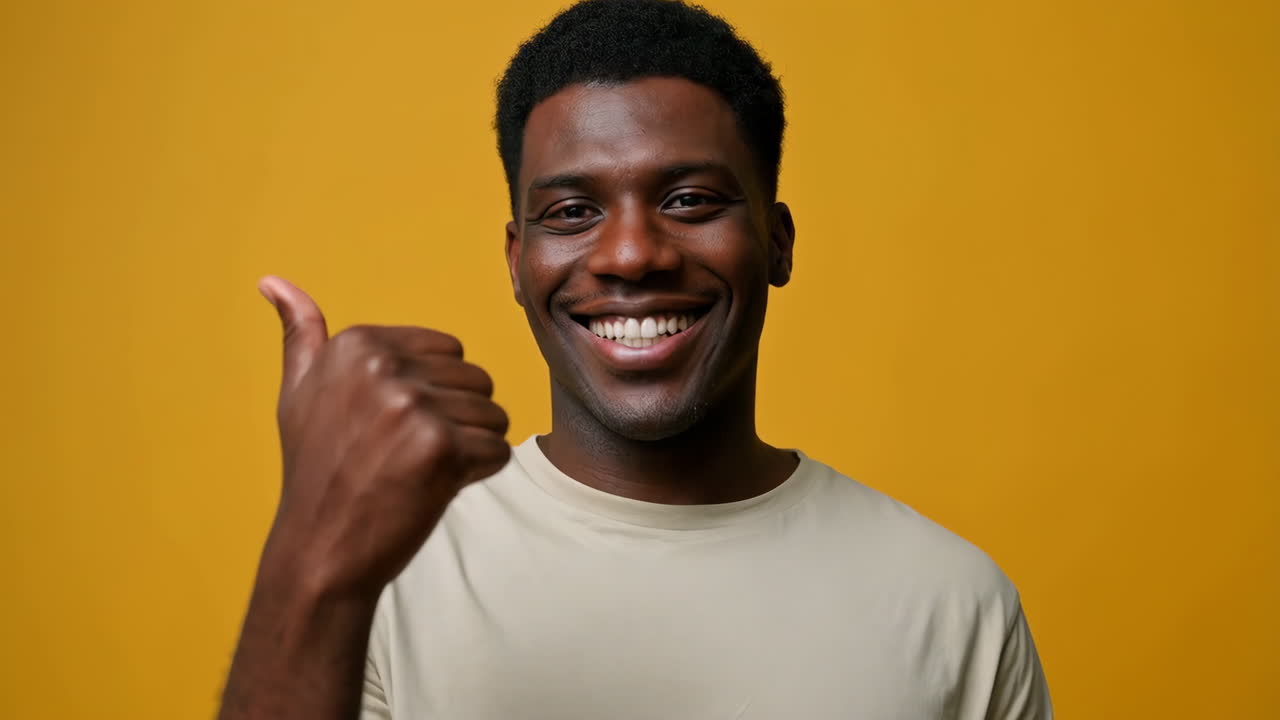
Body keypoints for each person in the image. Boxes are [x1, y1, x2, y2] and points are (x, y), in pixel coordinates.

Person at [217, 1, 1053, 718]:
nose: (630, 254)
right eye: (572, 212)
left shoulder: (955, 603)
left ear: (777, 242)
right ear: (518, 262)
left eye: (689, 201)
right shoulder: (385, 571)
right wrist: (311, 556)